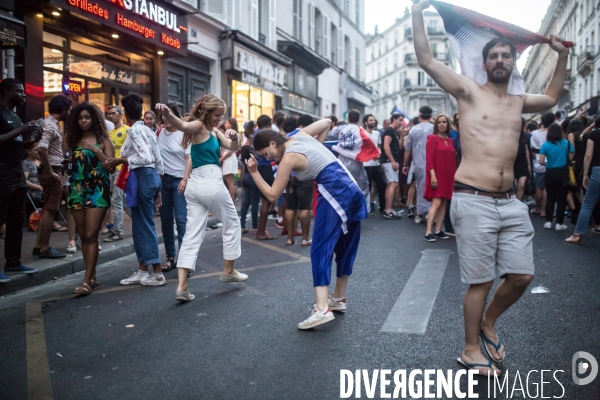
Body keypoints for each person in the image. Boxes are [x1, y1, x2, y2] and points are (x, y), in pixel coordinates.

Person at [412, 0, 568, 375]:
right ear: (484, 64)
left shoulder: (518, 102)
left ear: (513, 63)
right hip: (473, 198)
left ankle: (488, 322)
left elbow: (551, 97)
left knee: (522, 276)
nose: (500, 60)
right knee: (480, 280)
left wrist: (560, 55)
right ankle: (470, 350)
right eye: (494, 56)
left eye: (506, 55)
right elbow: (427, 61)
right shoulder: (467, 91)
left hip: (510, 202)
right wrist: (419, 12)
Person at [246, 119, 367, 329]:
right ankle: (337, 299)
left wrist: (255, 173)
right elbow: (326, 122)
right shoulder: (299, 135)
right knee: (345, 246)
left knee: (320, 249)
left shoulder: (288, 158)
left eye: (267, 153)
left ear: (274, 143)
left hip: (334, 190)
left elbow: (273, 194)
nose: (269, 158)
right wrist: (318, 146)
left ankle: (322, 310)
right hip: (351, 188)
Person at [156, 95, 244, 302]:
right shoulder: (199, 126)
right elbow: (182, 125)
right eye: (217, 115)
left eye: (222, 115)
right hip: (209, 182)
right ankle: (229, 270)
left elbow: (232, 147)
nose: (220, 119)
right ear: (206, 112)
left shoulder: (213, 131)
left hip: (195, 186)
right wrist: (168, 113)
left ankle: (182, 287)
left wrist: (235, 135)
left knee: (192, 235)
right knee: (232, 222)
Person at [105, 94, 165, 288]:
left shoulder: (134, 132)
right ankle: (142, 270)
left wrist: (120, 160)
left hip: (141, 177)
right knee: (140, 225)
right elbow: (158, 159)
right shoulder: (147, 130)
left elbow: (145, 158)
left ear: (125, 115)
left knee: (145, 225)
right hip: (148, 179)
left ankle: (156, 273)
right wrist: (158, 185)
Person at [65, 102, 115, 294]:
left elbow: (111, 166)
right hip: (77, 188)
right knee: (83, 235)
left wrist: (95, 150)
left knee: (91, 235)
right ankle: (91, 276)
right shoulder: (71, 139)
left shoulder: (103, 139)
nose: (83, 121)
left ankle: (86, 280)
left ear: (94, 119)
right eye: (80, 118)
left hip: (97, 188)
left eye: (87, 117)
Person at [0, 78, 41, 283]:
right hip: (3, 171)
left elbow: (18, 144)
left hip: (17, 172)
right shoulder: (0, 112)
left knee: (17, 219)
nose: (24, 94)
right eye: (19, 91)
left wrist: (32, 137)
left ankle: (13, 262)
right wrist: (20, 130)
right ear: (7, 92)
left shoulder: (16, 116)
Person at [32, 94, 72, 258]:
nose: (69, 112)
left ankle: (39, 245)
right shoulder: (50, 126)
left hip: (53, 169)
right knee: (51, 209)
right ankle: (45, 247)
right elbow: (41, 148)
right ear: (63, 110)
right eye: (68, 109)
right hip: (53, 170)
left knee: (48, 208)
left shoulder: (49, 124)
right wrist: (50, 172)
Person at [156, 105, 190, 272]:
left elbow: (189, 159)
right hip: (163, 181)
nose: (165, 120)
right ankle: (171, 257)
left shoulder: (185, 133)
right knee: (166, 221)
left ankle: (185, 261)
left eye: (168, 117)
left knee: (182, 220)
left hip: (179, 181)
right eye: (163, 118)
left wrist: (185, 178)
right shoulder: (159, 133)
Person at [565, 116, 600, 244]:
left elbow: (588, 154)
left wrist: (585, 174)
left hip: (597, 170)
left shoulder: (594, 134)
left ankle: (577, 235)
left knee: (588, 204)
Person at [423, 114, 457, 241]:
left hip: (448, 176)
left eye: (444, 122)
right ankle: (428, 232)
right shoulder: (432, 138)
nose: (442, 124)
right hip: (436, 175)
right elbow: (429, 159)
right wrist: (433, 175)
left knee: (444, 204)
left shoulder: (450, 140)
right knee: (436, 203)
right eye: (439, 122)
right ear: (436, 125)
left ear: (448, 124)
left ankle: (438, 230)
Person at [283, 114, 315, 245]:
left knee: (290, 207)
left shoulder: (287, 136)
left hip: (290, 175)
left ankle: (290, 238)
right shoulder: (308, 136)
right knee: (304, 208)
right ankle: (305, 238)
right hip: (305, 174)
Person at [539, 124, 574, 230]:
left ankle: (548, 222)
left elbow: (541, 161)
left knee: (550, 198)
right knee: (561, 199)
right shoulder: (567, 143)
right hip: (563, 173)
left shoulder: (545, 145)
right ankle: (559, 223)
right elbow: (571, 158)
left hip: (550, 173)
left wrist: (549, 164)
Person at [402, 106, 433, 224]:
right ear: (430, 116)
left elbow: (407, 149)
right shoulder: (434, 128)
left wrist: (405, 164)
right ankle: (430, 212)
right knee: (431, 186)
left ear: (420, 116)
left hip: (418, 162)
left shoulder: (413, 130)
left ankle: (420, 213)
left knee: (419, 186)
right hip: (433, 162)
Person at [103, 105, 130, 242]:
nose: (110, 116)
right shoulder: (110, 133)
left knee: (117, 200)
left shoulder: (127, 130)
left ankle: (118, 232)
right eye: (109, 114)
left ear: (121, 114)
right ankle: (139, 224)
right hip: (111, 169)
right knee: (122, 201)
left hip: (121, 169)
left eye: (113, 113)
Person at [254, 114, 277, 240]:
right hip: (267, 168)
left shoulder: (255, 134)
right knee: (266, 201)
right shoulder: (266, 135)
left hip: (258, 168)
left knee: (264, 200)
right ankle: (261, 231)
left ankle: (260, 230)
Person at [530, 112, 556, 216]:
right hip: (551, 163)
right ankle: (544, 211)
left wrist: (536, 158)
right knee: (547, 188)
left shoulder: (534, 133)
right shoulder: (554, 132)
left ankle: (537, 208)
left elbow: (532, 149)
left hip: (538, 163)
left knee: (539, 187)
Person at [381, 114, 405, 219]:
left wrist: (402, 135)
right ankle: (388, 210)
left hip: (390, 161)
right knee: (393, 184)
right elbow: (386, 146)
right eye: (400, 120)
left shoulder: (394, 131)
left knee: (391, 184)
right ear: (394, 120)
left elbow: (400, 146)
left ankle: (388, 209)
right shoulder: (389, 130)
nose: (402, 122)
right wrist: (392, 161)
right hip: (389, 161)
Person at [363, 114, 387, 215]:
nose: (373, 121)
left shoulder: (377, 133)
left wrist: (379, 152)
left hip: (376, 164)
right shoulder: (362, 133)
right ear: (365, 122)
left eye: (373, 120)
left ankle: (383, 208)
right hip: (366, 164)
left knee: (382, 185)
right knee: (367, 188)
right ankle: (365, 208)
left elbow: (378, 147)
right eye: (371, 120)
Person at [240, 121, 260, 234]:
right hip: (253, 176)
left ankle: (242, 225)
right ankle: (255, 227)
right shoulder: (253, 149)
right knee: (255, 202)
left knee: (245, 202)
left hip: (245, 176)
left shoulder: (244, 147)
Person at [220, 117, 239, 203]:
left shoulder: (233, 134)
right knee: (227, 182)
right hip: (228, 159)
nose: (225, 124)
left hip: (229, 159)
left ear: (231, 124)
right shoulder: (228, 133)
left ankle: (232, 202)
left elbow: (231, 150)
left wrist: (221, 159)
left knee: (229, 182)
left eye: (227, 123)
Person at [514, 118, 532, 201]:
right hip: (512, 163)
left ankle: (518, 203)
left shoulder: (524, 136)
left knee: (521, 185)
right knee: (514, 186)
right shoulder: (510, 136)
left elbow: (527, 151)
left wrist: (529, 165)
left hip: (522, 162)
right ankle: (514, 202)